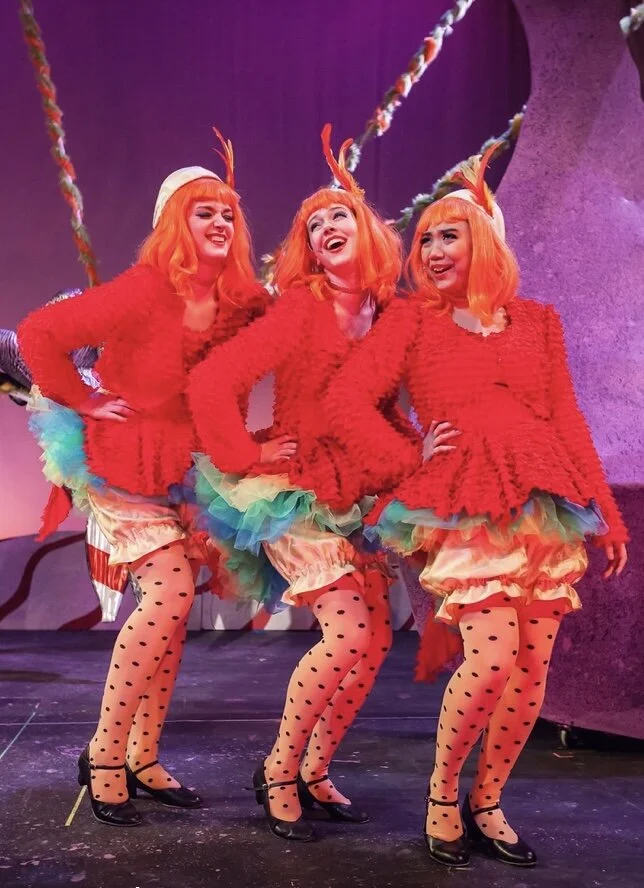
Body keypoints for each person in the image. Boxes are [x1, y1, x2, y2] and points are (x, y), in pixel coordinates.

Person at [324, 146, 628, 867]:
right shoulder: (411, 324)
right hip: (464, 505)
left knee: (531, 670)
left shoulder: (537, 322)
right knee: (491, 661)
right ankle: (441, 793)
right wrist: (409, 460)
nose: (430, 249)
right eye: (424, 237)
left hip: (542, 506)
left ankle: (487, 802)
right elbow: (345, 403)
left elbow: (567, 419)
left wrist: (606, 513)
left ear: (485, 242)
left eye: (447, 234)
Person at [18, 130, 267, 826]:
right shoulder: (141, 292)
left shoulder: (244, 303)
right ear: (174, 225)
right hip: (123, 464)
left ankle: (143, 755)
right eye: (202, 210)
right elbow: (39, 333)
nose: (218, 221)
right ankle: (103, 754)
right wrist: (87, 398)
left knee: (175, 611)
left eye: (227, 212)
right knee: (169, 595)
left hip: (189, 476)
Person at [188, 125, 419, 841]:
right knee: (348, 635)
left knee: (376, 642)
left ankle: (317, 768)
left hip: (365, 495)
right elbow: (212, 381)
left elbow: (403, 404)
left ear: (367, 230)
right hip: (299, 495)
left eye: (337, 216)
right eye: (312, 224)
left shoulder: (399, 314)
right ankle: (279, 768)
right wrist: (248, 455)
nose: (324, 228)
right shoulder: (300, 307)